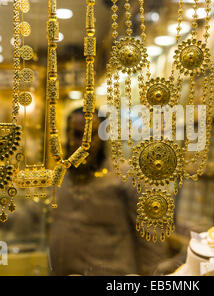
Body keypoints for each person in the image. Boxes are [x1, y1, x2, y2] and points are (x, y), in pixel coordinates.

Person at [49, 107, 170, 275]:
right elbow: (41, 219)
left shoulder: (126, 177)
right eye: (77, 135)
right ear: (66, 136)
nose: (83, 146)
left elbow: (151, 240)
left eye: (90, 137)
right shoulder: (61, 177)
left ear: (103, 138)